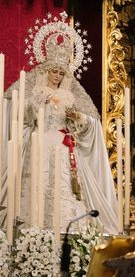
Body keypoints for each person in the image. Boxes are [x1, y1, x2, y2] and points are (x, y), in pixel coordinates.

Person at [1, 30, 119, 233]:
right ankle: (33, 229)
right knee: (38, 183)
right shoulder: (36, 92)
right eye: (54, 71)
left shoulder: (70, 96)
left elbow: (89, 121)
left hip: (64, 147)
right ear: (46, 71)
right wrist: (38, 103)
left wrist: (78, 118)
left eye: (61, 73)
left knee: (64, 186)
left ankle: (67, 228)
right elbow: (20, 112)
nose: (57, 76)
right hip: (40, 143)